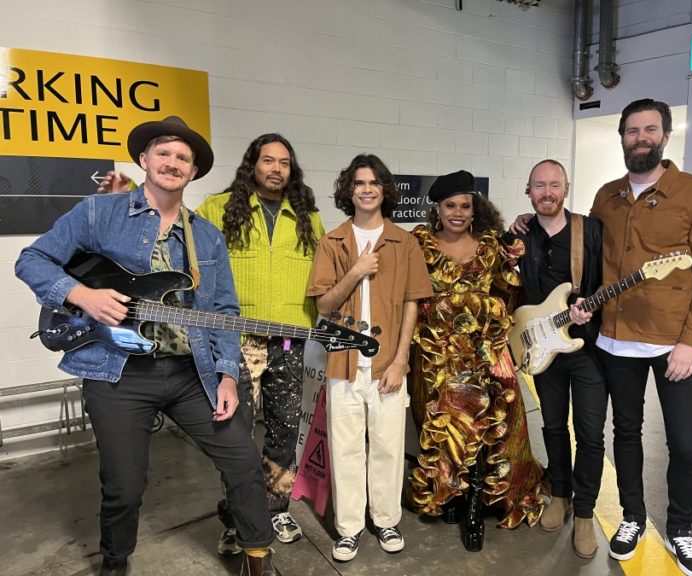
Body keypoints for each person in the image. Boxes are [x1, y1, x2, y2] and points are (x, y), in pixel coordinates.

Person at [15, 116, 276, 576]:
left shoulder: (207, 237)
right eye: (164, 153)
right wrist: (81, 295)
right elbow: (31, 259)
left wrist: (229, 373)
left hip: (189, 372)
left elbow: (225, 312)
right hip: (116, 372)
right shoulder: (99, 214)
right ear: (144, 160)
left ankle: (258, 558)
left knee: (244, 462)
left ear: (193, 172)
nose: (172, 163)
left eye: (183, 158)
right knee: (123, 486)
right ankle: (115, 563)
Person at [592, 99, 692, 576]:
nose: (640, 138)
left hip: (677, 344)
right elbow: (593, 264)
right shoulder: (606, 197)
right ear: (623, 138)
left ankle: (681, 529)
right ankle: (632, 517)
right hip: (615, 340)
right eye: (632, 131)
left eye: (650, 129)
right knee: (625, 433)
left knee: (685, 444)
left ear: (666, 136)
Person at [196, 134, 325, 550]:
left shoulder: (307, 217)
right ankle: (238, 517)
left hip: (290, 341)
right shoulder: (216, 210)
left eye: (284, 162)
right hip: (238, 340)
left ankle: (275, 509)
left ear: (292, 169)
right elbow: (178, 244)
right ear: (252, 164)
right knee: (236, 435)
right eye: (267, 160)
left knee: (285, 431)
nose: (276, 169)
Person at [407, 170, 545, 553]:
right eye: (450, 205)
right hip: (437, 354)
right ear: (438, 208)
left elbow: (509, 296)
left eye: (465, 206)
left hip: (483, 353)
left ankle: (472, 507)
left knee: (487, 425)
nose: (458, 212)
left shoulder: (489, 246)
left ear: (474, 209)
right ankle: (450, 494)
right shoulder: (421, 245)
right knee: (444, 426)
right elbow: (405, 297)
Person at [306, 154, 433, 563]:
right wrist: (357, 269)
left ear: (384, 190)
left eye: (374, 182)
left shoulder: (404, 240)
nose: (366, 189)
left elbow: (413, 304)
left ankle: (386, 519)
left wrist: (400, 361)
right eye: (359, 182)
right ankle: (348, 529)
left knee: (388, 447)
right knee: (345, 449)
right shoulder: (334, 241)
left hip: (386, 367)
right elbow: (324, 305)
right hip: (343, 364)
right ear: (349, 190)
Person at [505, 160, 607, 559]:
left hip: (586, 351)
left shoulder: (590, 230)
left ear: (566, 189)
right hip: (542, 350)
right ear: (528, 190)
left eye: (554, 185)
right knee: (552, 426)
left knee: (591, 435)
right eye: (539, 186)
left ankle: (585, 513)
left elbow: (604, 282)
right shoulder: (517, 236)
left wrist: (591, 308)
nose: (547, 193)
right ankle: (560, 495)